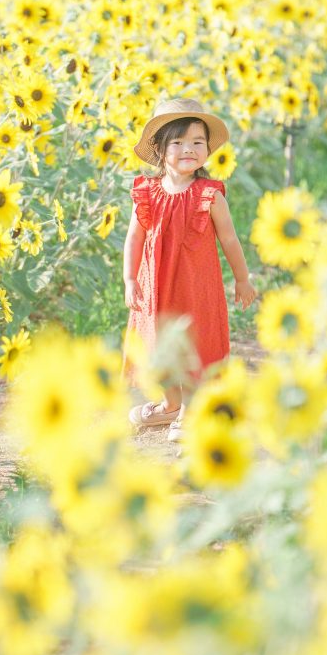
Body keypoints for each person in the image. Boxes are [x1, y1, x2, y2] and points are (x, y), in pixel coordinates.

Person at [122, 97, 257, 442]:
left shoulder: (208, 195)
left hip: (197, 289)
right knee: (158, 344)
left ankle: (190, 411)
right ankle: (170, 404)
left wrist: (243, 279)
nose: (189, 149)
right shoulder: (147, 193)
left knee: (197, 344)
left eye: (198, 142)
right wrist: (129, 278)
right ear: (159, 149)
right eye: (178, 142)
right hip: (157, 288)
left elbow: (229, 240)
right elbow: (134, 239)